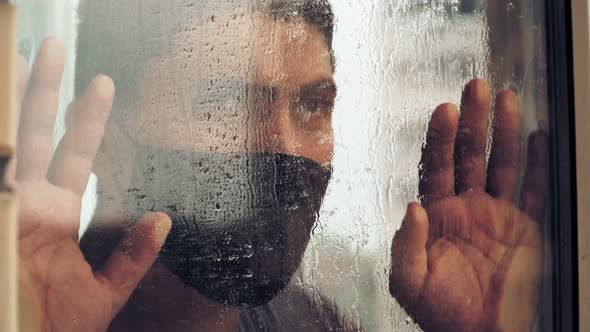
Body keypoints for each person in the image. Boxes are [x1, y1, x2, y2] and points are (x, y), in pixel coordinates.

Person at [9, 0, 548, 331]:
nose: (284, 147)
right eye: (224, 102)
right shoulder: (34, 307)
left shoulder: (317, 327)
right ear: (103, 137)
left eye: (313, 105)